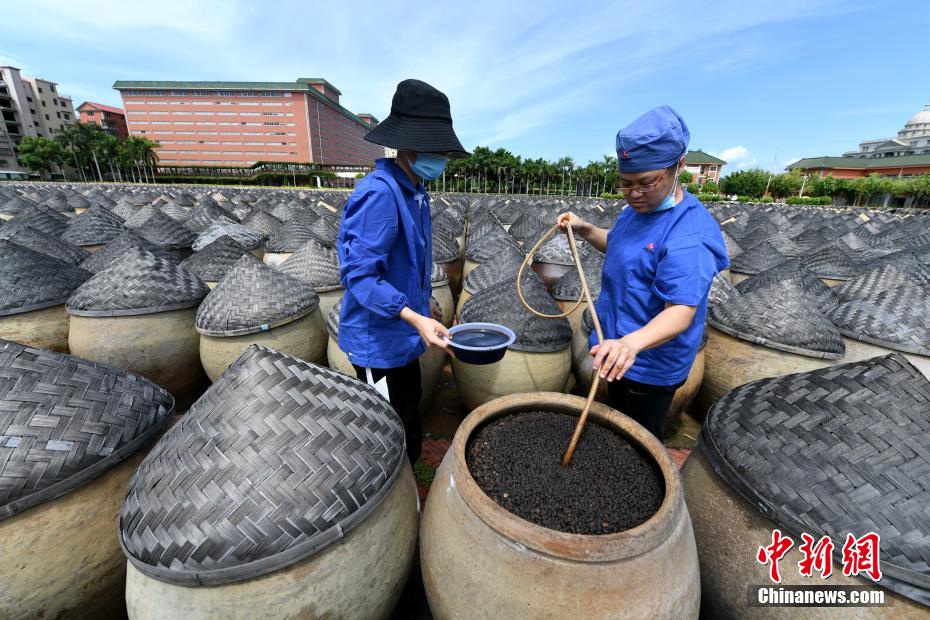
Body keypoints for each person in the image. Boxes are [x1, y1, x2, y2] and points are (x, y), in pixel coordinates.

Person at [557, 106, 728, 439]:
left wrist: (631, 345)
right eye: (625, 183)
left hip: (650, 362)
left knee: (637, 441)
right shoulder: (636, 211)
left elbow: (680, 312)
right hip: (617, 347)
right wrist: (584, 228)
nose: (634, 193)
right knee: (615, 428)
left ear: (679, 166)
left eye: (647, 182)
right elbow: (621, 246)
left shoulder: (689, 234)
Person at [337, 79, 468, 464]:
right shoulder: (379, 193)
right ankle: (394, 489)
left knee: (408, 411)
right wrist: (414, 317)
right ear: (410, 146)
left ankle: (409, 476)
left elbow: (408, 264)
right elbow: (360, 277)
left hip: (401, 332)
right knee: (387, 424)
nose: (442, 157)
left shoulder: (415, 191)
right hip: (378, 341)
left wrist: (424, 307)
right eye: (438, 149)